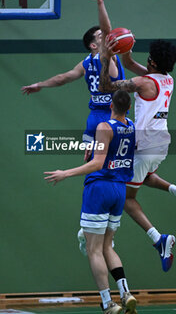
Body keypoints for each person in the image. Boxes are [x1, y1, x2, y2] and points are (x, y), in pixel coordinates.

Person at [79, 0, 176, 273]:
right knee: (143, 177)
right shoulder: (165, 79)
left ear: (152, 60)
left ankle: (159, 238)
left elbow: (109, 86)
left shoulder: (142, 82)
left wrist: (107, 55)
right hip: (159, 145)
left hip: (145, 142)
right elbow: (133, 64)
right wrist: (125, 50)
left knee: (125, 196)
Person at [44, 90, 137, 314]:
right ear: (129, 107)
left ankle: (107, 303)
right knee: (107, 245)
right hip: (119, 189)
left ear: (110, 105)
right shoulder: (133, 126)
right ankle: (126, 293)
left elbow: (97, 163)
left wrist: (65, 173)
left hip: (100, 188)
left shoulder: (104, 127)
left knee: (94, 249)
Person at [21, 24, 125, 161]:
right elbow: (107, 26)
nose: (106, 36)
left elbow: (62, 78)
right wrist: (100, 4)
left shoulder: (85, 63)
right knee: (115, 162)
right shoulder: (109, 57)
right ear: (93, 45)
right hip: (112, 116)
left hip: (94, 118)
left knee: (94, 162)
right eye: (101, 36)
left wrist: (40, 84)